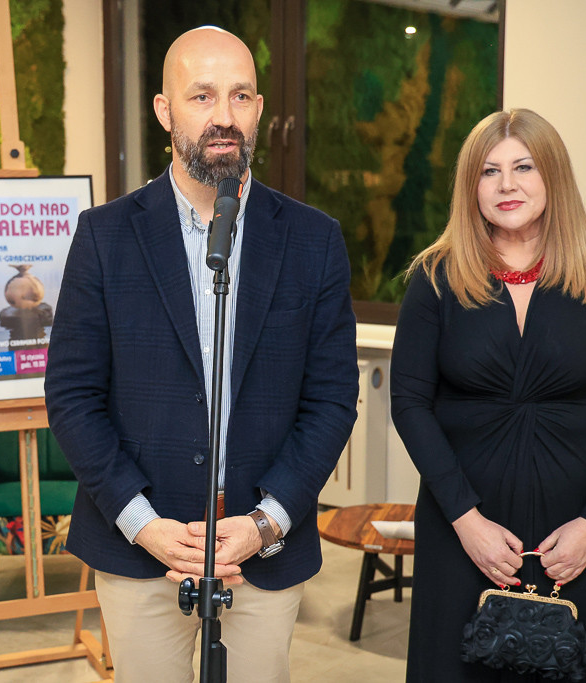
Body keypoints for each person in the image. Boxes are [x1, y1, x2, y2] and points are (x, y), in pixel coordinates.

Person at [45, 26, 358, 683]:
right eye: (202, 95)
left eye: (241, 96)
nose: (224, 116)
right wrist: (145, 523)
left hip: (261, 552)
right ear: (165, 110)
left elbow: (330, 401)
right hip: (140, 546)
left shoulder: (314, 241)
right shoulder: (104, 237)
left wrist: (266, 522)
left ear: (260, 109)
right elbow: (73, 398)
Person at [390, 108, 586, 682]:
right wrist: (466, 521)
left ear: (553, 176)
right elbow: (409, 403)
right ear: (472, 188)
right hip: (466, 531)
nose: (506, 184)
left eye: (523, 167)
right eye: (489, 172)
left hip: (583, 533)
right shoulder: (435, 278)